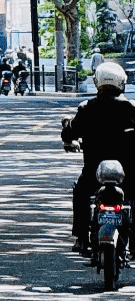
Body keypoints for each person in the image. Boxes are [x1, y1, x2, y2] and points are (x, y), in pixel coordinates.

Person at [62, 60, 135, 254]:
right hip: (127, 174)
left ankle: (81, 238)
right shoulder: (130, 107)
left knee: (80, 193)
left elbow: (69, 134)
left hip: (94, 173)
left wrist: (68, 133)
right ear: (121, 82)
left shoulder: (87, 108)